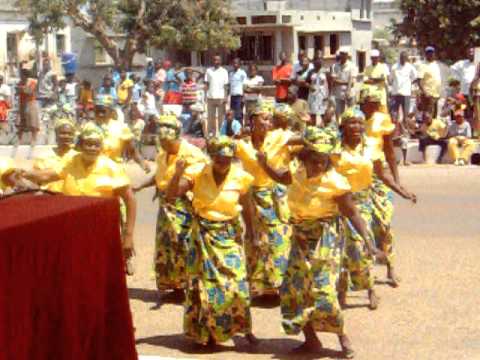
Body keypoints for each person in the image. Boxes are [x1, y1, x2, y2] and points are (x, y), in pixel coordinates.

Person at [257, 126, 381, 358]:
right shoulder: (296, 171)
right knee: (294, 289)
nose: (319, 165)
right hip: (300, 237)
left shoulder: (336, 182)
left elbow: (352, 213)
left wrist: (368, 241)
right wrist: (264, 165)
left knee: (323, 290)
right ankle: (311, 340)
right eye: (315, 160)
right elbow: (280, 178)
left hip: (325, 237)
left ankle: (342, 335)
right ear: (305, 157)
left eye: (323, 160)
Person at [166, 136, 258, 347]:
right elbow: (172, 195)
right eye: (218, 158)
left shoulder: (240, 177)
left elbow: (248, 206)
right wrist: (178, 173)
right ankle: (205, 334)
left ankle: (241, 327)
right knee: (203, 287)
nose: (223, 163)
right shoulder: (198, 173)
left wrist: (252, 233)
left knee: (237, 285)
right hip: (203, 235)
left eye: (227, 158)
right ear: (211, 156)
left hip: (229, 235)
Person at [23, 122, 137, 267]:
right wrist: (23, 174)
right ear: (80, 145)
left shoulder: (111, 167)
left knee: (99, 266)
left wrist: (128, 235)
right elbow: (46, 176)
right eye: (87, 144)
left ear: (101, 147)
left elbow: (130, 200)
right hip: (72, 230)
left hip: (102, 230)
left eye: (96, 145)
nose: (92, 148)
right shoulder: (71, 162)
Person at [335, 109, 416, 311]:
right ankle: (341, 293)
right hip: (338, 204)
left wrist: (401, 190)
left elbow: (382, 174)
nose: (355, 127)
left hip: (362, 204)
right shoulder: (334, 150)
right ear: (343, 126)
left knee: (361, 247)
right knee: (341, 250)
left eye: (359, 123)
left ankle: (370, 289)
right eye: (351, 123)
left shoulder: (370, 149)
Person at [134, 114, 207, 299]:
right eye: (162, 142)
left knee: (185, 244)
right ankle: (175, 287)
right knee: (168, 248)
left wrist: (174, 178)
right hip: (166, 207)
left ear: (177, 136)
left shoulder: (192, 155)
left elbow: (181, 187)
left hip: (185, 206)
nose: (164, 145)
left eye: (167, 142)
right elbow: (160, 174)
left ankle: (190, 287)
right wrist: (140, 185)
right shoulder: (163, 153)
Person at [236, 107, 292, 298]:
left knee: (279, 238)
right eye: (265, 119)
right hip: (252, 199)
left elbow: (304, 140)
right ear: (252, 121)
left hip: (275, 198)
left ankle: (279, 285)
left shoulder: (279, 137)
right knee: (255, 241)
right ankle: (258, 287)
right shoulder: (242, 144)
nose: (269, 123)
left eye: (270, 119)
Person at [359, 88, 401, 287]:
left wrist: (396, 180)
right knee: (360, 225)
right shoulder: (354, 119)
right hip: (358, 176)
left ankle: (391, 266)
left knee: (384, 222)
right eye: (370, 103)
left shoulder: (382, 120)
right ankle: (363, 274)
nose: (374, 106)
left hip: (378, 175)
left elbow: (390, 151)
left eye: (377, 103)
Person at [92, 94, 150, 173]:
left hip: (114, 174)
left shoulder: (121, 128)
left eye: (103, 111)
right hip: (92, 173)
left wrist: (142, 163)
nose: (100, 114)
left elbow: (132, 150)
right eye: (97, 111)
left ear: (111, 111)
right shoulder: (87, 127)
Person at [33, 117, 78, 193]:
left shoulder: (78, 157)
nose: (66, 136)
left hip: (71, 198)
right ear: (56, 135)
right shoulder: (43, 157)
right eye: (63, 133)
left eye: (69, 134)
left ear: (73, 136)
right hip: (48, 197)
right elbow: (36, 179)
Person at [205, 55, 229, 136]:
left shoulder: (224, 71)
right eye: (215, 60)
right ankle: (211, 133)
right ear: (212, 61)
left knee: (221, 118)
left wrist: (225, 97)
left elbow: (226, 86)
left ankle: (221, 134)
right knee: (210, 117)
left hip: (221, 98)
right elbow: (207, 84)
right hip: (210, 97)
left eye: (218, 60)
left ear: (221, 61)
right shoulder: (208, 71)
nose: (216, 62)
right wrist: (205, 96)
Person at [390, 51, 418, 122]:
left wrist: (409, 83)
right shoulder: (394, 67)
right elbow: (391, 79)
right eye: (401, 58)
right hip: (395, 93)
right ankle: (395, 129)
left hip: (406, 93)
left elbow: (415, 77)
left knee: (406, 114)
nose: (403, 59)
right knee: (394, 113)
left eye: (404, 58)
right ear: (400, 58)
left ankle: (405, 129)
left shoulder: (410, 67)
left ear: (406, 59)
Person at [451, 48, 477, 119]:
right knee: (459, 112)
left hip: (475, 93)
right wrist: (459, 79)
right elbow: (452, 69)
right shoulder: (462, 63)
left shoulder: (478, 63)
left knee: (473, 113)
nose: (471, 54)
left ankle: (471, 128)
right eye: (469, 52)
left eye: (473, 52)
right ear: (467, 54)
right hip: (463, 92)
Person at [17, 68, 40, 145]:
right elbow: (19, 91)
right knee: (20, 122)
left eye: (22, 75)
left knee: (33, 122)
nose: (21, 77)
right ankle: (19, 139)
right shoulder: (20, 82)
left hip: (31, 102)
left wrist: (22, 88)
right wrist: (22, 88)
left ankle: (34, 139)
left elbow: (29, 91)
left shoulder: (32, 82)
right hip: (22, 103)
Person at [331, 48, 356, 117]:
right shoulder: (335, 66)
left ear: (347, 55)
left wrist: (348, 87)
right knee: (339, 115)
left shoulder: (352, 66)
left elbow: (352, 81)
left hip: (350, 93)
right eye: (342, 54)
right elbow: (334, 80)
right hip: (338, 93)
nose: (343, 56)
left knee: (352, 113)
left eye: (345, 54)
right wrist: (347, 83)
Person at [418, 46, 442, 117]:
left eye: (432, 53)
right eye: (428, 53)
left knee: (434, 116)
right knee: (427, 116)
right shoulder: (422, 65)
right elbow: (419, 81)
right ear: (425, 54)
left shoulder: (436, 65)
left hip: (435, 94)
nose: (430, 54)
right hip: (428, 95)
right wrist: (425, 93)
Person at [306, 57, 329, 125]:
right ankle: (312, 129)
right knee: (313, 113)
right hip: (313, 95)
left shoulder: (325, 71)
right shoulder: (311, 72)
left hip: (323, 94)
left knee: (323, 113)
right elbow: (306, 82)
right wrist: (310, 86)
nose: (318, 64)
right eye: (316, 63)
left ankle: (324, 129)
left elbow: (329, 83)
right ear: (314, 63)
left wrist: (327, 94)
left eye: (320, 62)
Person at [229, 58, 247, 123]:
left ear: (239, 64)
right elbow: (229, 85)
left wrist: (244, 97)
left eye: (236, 63)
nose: (235, 64)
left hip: (239, 96)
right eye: (233, 63)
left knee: (238, 114)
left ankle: (240, 129)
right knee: (232, 114)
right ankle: (234, 129)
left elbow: (244, 85)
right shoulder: (231, 74)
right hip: (232, 96)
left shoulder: (242, 73)